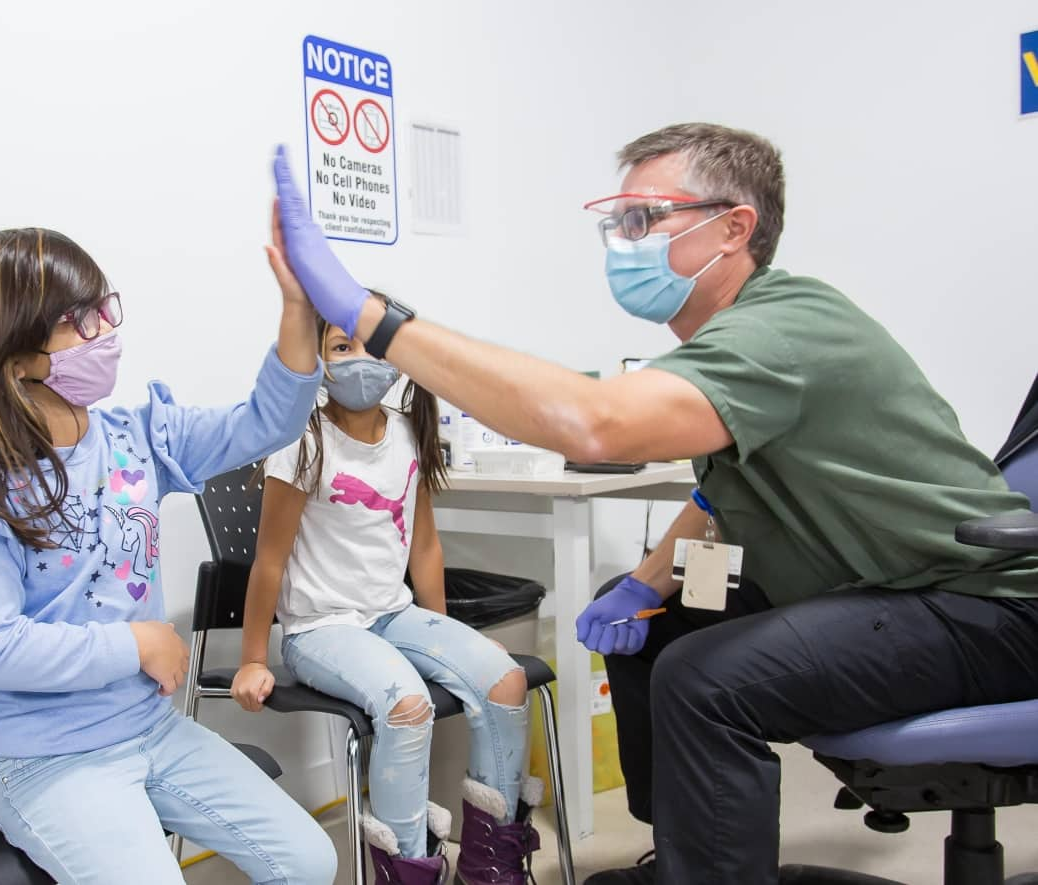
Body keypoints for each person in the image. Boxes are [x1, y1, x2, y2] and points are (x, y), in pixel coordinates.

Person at [265, 125, 1038, 885]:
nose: (622, 241)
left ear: (735, 227)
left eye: (643, 220)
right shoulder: (731, 340)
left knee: (707, 678)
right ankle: (687, 854)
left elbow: (592, 423)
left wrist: (372, 319)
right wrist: (644, 584)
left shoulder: (786, 328)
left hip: (978, 607)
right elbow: (718, 492)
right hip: (874, 590)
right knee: (648, 629)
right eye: (616, 223)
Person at [0, 228, 337, 885]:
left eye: (105, 307)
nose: (106, 330)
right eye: (81, 320)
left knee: (309, 859)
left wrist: (298, 312)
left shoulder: (139, 437)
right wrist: (135, 644)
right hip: (43, 759)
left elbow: (265, 423)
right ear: (16, 357)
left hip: (152, 730)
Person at [230, 302, 542, 885]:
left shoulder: (407, 434)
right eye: (341, 347)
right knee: (407, 706)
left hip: (392, 615)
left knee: (505, 679)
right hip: (321, 628)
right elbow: (268, 560)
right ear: (318, 359)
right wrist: (252, 659)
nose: (360, 360)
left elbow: (424, 548)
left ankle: (491, 866)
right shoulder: (302, 440)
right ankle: (407, 870)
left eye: (372, 344)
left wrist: (444, 640)